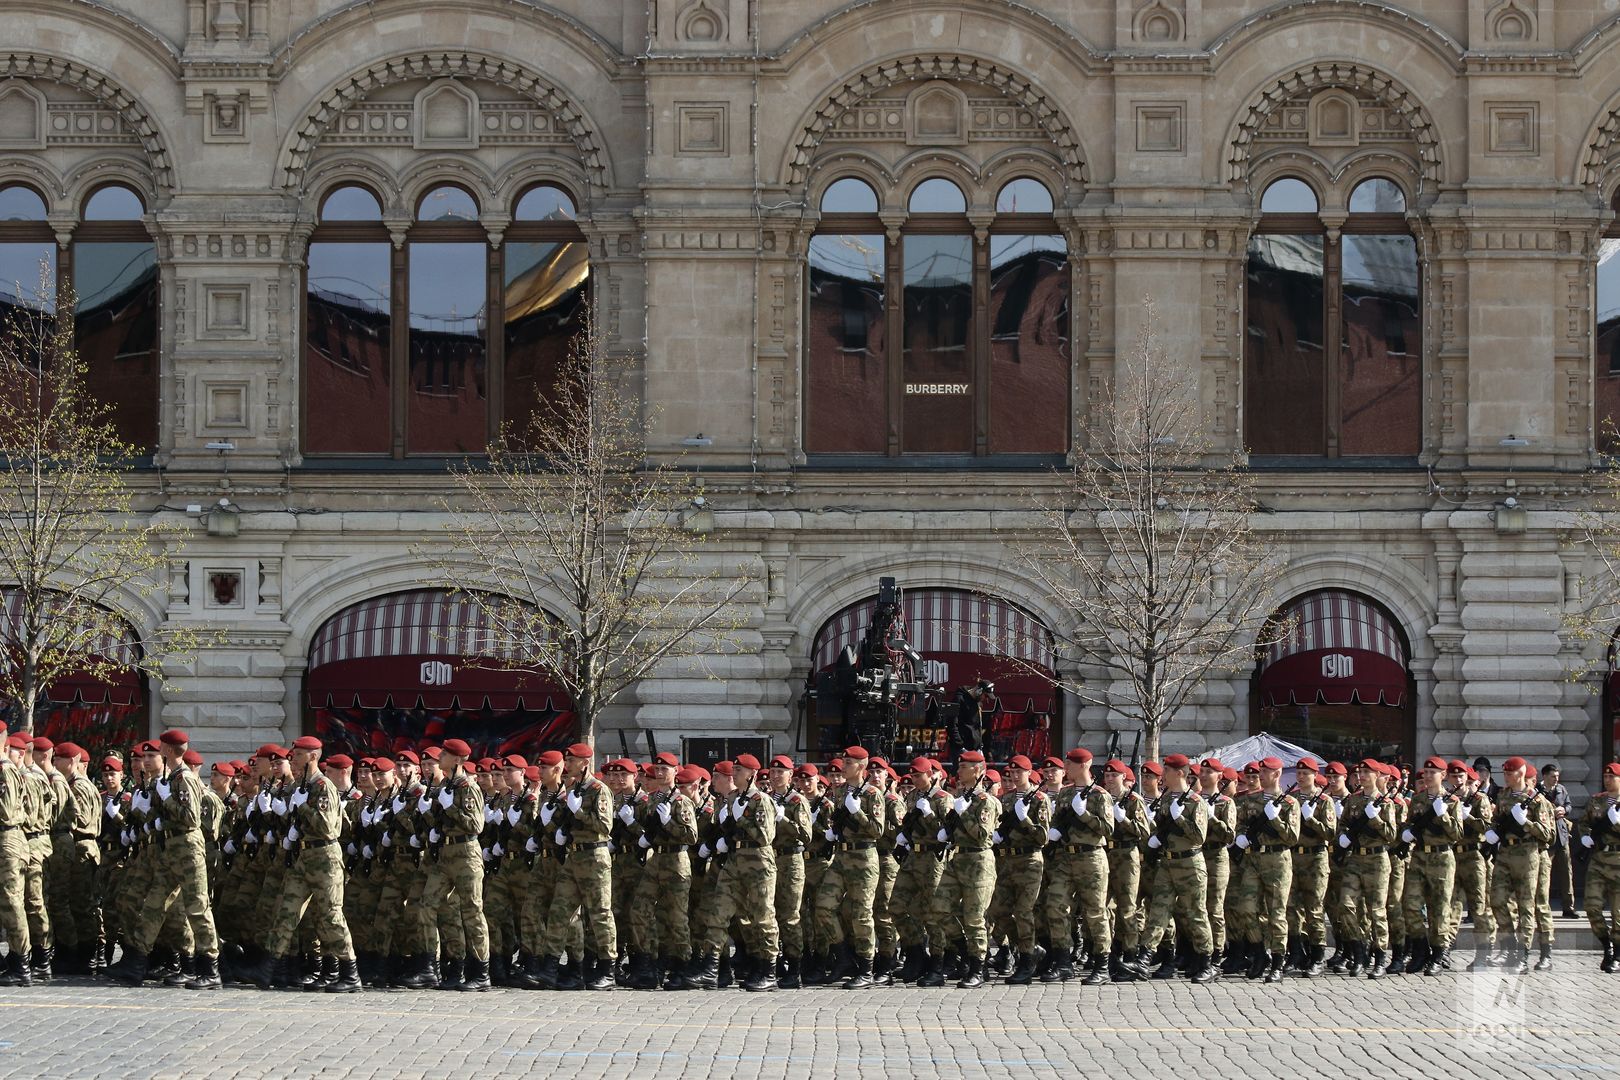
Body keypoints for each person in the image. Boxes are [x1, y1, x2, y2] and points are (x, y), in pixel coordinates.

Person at [107, 730, 220, 990]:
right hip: (170, 847)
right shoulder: (170, 779)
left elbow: (190, 818)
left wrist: (166, 800)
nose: (149, 757)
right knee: (154, 905)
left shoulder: (184, 778)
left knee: (197, 907)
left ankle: (209, 968)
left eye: (156, 751)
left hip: (187, 848)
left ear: (167, 750)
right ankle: (136, 962)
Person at [246, 736, 359, 993]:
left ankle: (349, 972)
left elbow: (328, 827)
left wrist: (304, 809)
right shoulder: (303, 786)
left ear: (313, 757)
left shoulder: (323, 785)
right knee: (285, 911)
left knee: (330, 916)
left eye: (297, 755)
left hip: (324, 857)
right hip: (303, 856)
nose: (292, 760)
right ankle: (268, 967)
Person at [683, 753, 780, 992]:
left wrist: (742, 819)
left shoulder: (761, 800)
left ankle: (768, 970)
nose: (734, 774)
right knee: (718, 912)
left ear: (752, 775)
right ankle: (711, 968)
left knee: (762, 917)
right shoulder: (733, 798)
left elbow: (765, 836)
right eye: (734, 770)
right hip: (735, 860)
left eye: (739, 771)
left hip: (758, 861)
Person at [536, 743, 615, 991]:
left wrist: (578, 811)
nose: (566, 765)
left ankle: (607, 969)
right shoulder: (572, 788)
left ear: (584, 763)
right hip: (574, 856)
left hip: (595, 856)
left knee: (600, 914)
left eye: (571, 761)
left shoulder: (598, 789)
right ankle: (551, 967)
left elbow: (604, 826)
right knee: (560, 911)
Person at [920, 750, 1000, 988]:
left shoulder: (985, 801)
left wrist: (964, 814)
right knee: (939, 908)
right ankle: (966, 952)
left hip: (978, 862)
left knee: (974, 918)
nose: (958, 770)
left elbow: (983, 835)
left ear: (977, 771)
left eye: (964, 766)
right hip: (958, 859)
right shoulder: (960, 796)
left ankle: (977, 968)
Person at [1139, 754, 1216, 983]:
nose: (1162, 774)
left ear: (1179, 773)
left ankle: (1206, 962)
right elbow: (1162, 828)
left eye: (1167, 771)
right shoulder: (1165, 799)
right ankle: (1144, 958)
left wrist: (1180, 818)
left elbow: (1199, 837)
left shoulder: (1195, 802)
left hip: (1190, 863)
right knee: (1158, 912)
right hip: (1168, 863)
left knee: (1195, 914)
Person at [1041, 747, 1113, 985]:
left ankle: (1102, 964)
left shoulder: (1100, 795)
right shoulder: (1065, 794)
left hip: (1091, 857)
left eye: (1070, 764)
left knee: (1094, 912)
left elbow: (1108, 829)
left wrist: (1084, 815)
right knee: (1055, 905)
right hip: (1065, 857)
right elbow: (1059, 820)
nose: (1066, 768)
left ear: (1084, 765)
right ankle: (1063, 962)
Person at [986, 755, 1051, 984]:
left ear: (1028, 772)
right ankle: (1029, 948)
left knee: (1024, 911)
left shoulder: (1040, 799)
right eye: (1011, 773)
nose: (1014, 776)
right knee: (997, 910)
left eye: (1019, 772)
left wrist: (1025, 820)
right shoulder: (1007, 799)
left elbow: (1043, 837)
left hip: (1030, 861)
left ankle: (1025, 961)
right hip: (1006, 862)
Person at [1485, 757, 1553, 975]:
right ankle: (1508, 945)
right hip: (1505, 852)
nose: (1505, 776)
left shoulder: (1536, 799)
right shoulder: (1503, 795)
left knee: (1526, 906)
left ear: (1521, 774)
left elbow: (1548, 835)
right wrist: (1491, 831)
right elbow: (1496, 820)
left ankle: (1523, 955)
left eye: (1510, 773)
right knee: (1496, 899)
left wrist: (1527, 823)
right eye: (1504, 772)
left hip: (1527, 853)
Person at [1398, 757, 1462, 976]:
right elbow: (1409, 823)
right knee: (1410, 905)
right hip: (1419, 857)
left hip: (1442, 857)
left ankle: (1438, 954)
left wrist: (1442, 815)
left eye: (1431, 772)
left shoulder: (1452, 801)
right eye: (1425, 772)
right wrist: (1406, 832)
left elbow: (1457, 833)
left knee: (1440, 909)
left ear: (1443, 775)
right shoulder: (1418, 800)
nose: (1426, 776)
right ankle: (1420, 950)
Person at [1577, 762, 1620, 972]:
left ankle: (1617, 955)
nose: (1607, 779)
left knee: (1618, 914)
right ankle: (1607, 946)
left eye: (1612, 777)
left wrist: (1617, 823)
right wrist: (1584, 836)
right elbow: (1584, 822)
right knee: (1592, 907)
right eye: (1605, 776)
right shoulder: (1596, 800)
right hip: (1599, 859)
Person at [1539, 763, 1575, 918]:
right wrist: (1549, 812)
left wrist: (1564, 810)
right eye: (1553, 776)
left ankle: (1568, 907)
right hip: (1547, 837)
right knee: (1544, 873)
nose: (1556, 779)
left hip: (1562, 834)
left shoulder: (1561, 789)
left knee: (1566, 871)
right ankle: (1542, 907)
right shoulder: (1537, 791)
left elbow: (1569, 805)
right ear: (1545, 776)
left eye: (1557, 776)